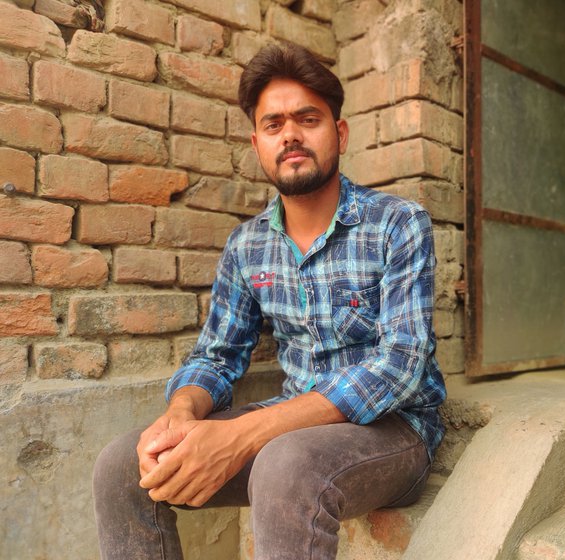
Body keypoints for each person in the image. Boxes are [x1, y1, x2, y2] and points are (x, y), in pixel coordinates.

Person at [93, 43, 446, 560]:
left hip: (395, 430)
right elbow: (216, 356)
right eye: (275, 124)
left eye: (308, 119)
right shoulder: (247, 246)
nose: (292, 136)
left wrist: (243, 434)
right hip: (290, 424)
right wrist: (182, 412)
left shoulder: (397, 223)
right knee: (123, 465)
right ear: (257, 143)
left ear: (339, 134)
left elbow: (401, 366)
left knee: (287, 466)